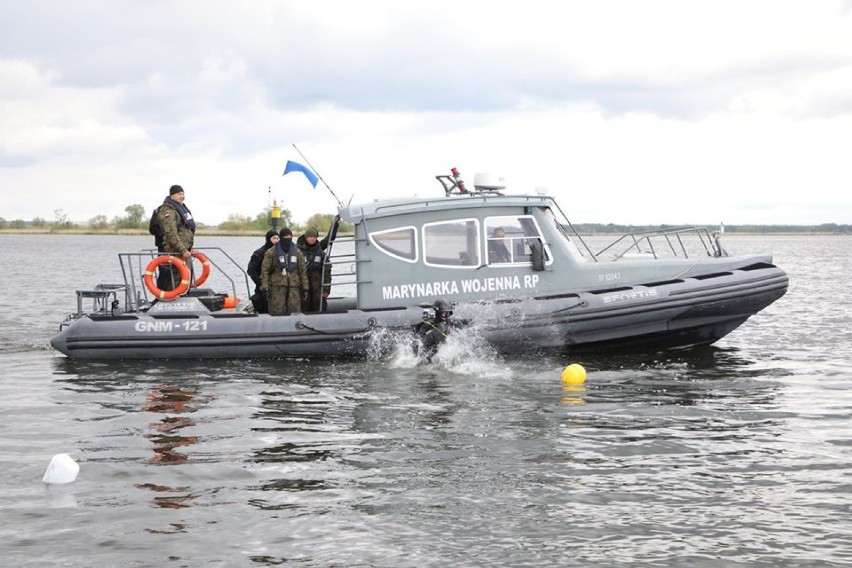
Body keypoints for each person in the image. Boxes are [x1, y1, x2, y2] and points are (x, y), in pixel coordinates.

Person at [155, 185, 196, 290]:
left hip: (184, 250)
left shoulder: (181, 209)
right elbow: (170, 233)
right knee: (175, 278)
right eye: (179, 194)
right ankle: (171, 300)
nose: (182, 196)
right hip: (175, 251)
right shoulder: (168, 211)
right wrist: (182, 249)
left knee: (186, 276)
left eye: (183, 194)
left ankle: (184, 297)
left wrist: (189, 247)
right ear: (171, 195)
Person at [260, 227, 308, 316]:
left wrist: (305, 287)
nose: (288, 240)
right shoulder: (271, 252)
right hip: (277, 286)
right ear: (281, 238)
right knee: (276, 310)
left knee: (295, 310)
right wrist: (265, 287)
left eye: (290, 237)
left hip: (294, 286)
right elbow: (264, 270)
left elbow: (303, 271)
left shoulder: (297, 252)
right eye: (286, 238)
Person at [298, 227, 332, 312]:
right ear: (306, 237)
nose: (312, 238)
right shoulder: (298, 251)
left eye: (314, 237)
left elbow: (327, 271)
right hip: (303, 284)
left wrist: (327, 288)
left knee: (319, 304)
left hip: (318, 285)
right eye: (310, 236)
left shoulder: (321, 253)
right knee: (304, 304)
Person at [247, 229, 279, 313]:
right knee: (263, 305)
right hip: (262, 285)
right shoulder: (259, 252)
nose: (276, 240)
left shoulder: (279, 252)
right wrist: (260, 283)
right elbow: (251, 270)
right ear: (269, 239)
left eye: (278, 238)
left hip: (276, 285)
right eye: (274, 238)